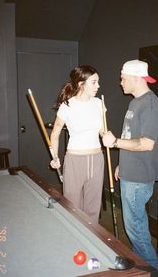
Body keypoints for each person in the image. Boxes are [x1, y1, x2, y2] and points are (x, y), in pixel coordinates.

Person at [102, 60, 158, 270]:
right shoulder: (135, 102)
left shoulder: (150, 105)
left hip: (139, 179)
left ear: (137, 78)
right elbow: (133, 137)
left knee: (136, 230)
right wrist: (123, 164)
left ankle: (151, 270)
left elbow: (147, 143)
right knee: (135, 229)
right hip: (131, 173)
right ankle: (140, 269)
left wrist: (115, 142)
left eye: (123, 78)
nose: (120, 82)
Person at [50, 65, 104, 223]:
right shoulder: (67, 105)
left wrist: (107, 135)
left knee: (93, 208)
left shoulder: (99, 103)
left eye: (98, 82)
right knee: (72, 206)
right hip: (75, 160)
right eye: (94, 82)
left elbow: (102, 130)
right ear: (81, 83)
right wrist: (55, 157)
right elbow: (55, 132)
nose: (98, 86)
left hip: (97, 159)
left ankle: (92, 242)